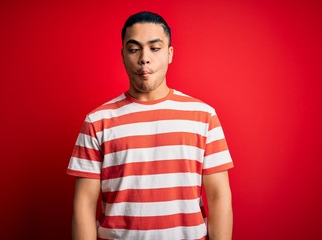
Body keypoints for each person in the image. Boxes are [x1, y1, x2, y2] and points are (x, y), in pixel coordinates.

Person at [67, 11, 233, 240]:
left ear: (170, 53)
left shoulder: (203, 116)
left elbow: (219, 197)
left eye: (155, 48)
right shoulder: (97, 121)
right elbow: (84, 204)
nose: (144, 58)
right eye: (134, 49)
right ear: (123, 54)